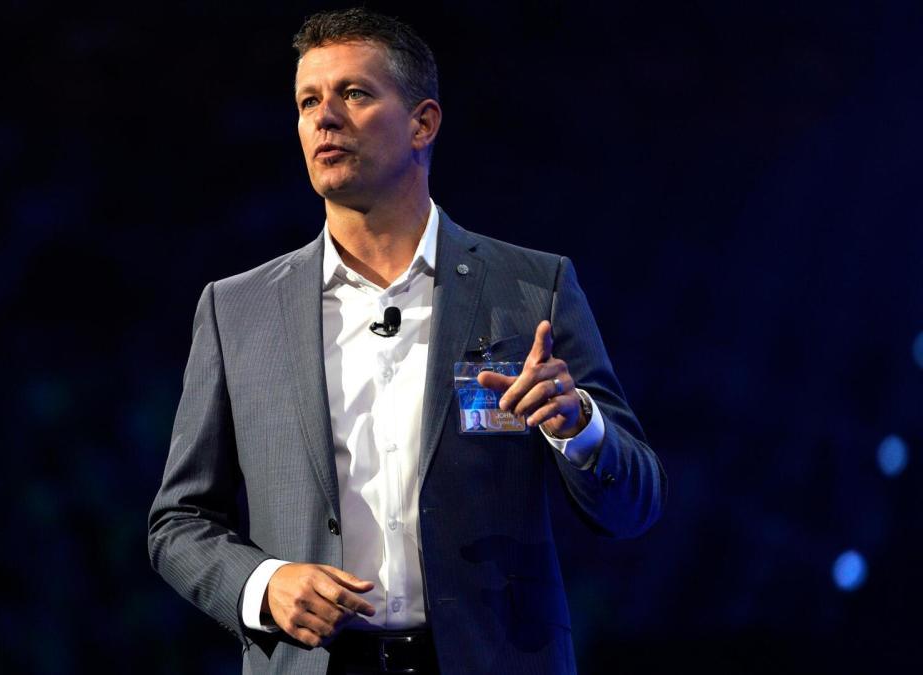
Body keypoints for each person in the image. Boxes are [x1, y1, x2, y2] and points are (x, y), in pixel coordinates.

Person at [148, 8, 666, 674]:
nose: (325, 118)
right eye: (308, 101)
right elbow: (178, 522)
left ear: (422, 123)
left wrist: (581, 429)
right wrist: (264, 584)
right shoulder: (237, 310)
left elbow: (636, 505)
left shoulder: (532, 288)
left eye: (353, 93)